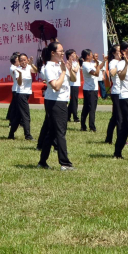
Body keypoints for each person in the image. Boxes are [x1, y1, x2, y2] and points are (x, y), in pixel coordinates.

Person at [37, 41, 74, 170]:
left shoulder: (60, 65)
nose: (63, 53)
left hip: (62, 101)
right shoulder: (49, 67)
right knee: (60, 132)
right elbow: (56, 86)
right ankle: (65, 163)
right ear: (53, 53)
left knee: (52, 132)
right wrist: (63, 72)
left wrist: (68, 69)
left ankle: (42, 161)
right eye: (60, 51)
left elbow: (73, 80)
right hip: (55, 101)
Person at [6, 53, 33, 140]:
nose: (23, 62)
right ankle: (28, 135)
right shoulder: (17, 70)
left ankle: (11, 135)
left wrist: (31, 64)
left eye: (25, 60)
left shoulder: (29, 67)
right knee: (26, 115)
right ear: (18, 62)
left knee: (18, 116)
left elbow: (35, 71)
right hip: (20, 94)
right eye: (21, 60)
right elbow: (19, 83)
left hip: (27, 93)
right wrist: (20, 75)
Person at [103, 45, 122, 144]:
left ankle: (108, 138)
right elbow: (112, 73)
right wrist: (119, 63)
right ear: (114, 53)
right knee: (119, 117)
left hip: (123, 92)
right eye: (118, 51)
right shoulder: (113, 62)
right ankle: (120, 139)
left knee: (115, 117)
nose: (121, 53)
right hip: (116, 92)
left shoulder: (123, 62)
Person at [79, 50, 101, 132]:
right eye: (91, 55)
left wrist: (100, 62)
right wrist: (98, 66)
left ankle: (83, 125)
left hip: (91, 89)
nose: (93, 56)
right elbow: (96, 73)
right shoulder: (85, 64)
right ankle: (91, 127)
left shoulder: (90, 64)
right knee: (91, 108)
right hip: (90, 89)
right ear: (87, 56)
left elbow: (98, 67)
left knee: (87, 108)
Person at [67, 49, 82, 124]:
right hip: (72, 84)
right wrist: (79, 63)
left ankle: (68, 115)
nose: (75, 55)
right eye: (73, 54)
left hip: (76, 83)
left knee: (73, 101)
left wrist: (79, 62)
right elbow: (75, 70)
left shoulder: (76, 62)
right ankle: (75, 117)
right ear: (69, 55)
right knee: (74, 101)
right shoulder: (69, 63)